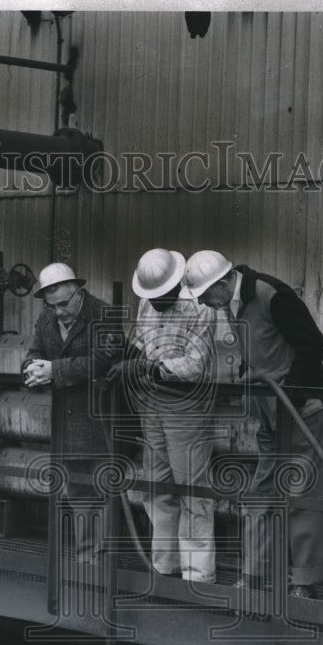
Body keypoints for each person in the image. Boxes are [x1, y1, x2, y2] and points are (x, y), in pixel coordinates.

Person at [181, 250, 323, 598]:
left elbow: (313, 346)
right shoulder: (230, 302)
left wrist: (290, 392)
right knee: (260, 495)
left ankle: (305, 583)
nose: (205, 303)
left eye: (205, 295)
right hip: (268, 414)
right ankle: (254, 575)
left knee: (303, 492)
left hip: (301, 411)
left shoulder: (271, 294)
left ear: (222, 282)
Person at [106, 248, 217, 584]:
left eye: (160, 297)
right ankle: (163, 567)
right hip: (153, 403)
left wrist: (144, 365)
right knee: (156, 488)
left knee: (193, 491)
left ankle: (197, 576)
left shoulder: (200, 307)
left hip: (188, 404)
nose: (154, 303)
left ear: (175, 285)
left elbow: (195, 363)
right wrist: (125, 350)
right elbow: (143, 342)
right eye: (149, 297)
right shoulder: (147, 301)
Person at [23, 262, 121, 563]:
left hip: (99, 417)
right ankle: (86, 557)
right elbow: (35, 351)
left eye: (63, 304)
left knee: (104, 488)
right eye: (52, 306)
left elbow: (104, 360)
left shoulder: (104, 315)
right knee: (78, 490)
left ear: (79, 293)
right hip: (66, 420)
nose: (58, 312)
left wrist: (55, 370)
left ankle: (105, 560)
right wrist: (32, 369)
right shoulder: (47, 317)